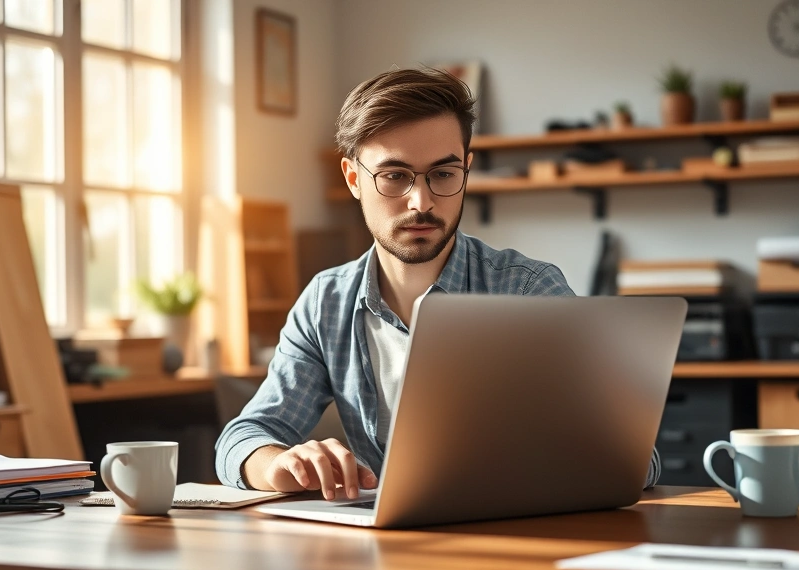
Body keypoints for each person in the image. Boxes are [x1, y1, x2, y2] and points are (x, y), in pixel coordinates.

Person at [215, 68, 661, 499]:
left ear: (466, 171)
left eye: (444, 174)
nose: (421, 201)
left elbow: (639, 460)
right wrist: (277, 463)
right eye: (394, 176)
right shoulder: (325, 303)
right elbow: (244, 436)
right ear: (353, 179)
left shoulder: (527, 291)